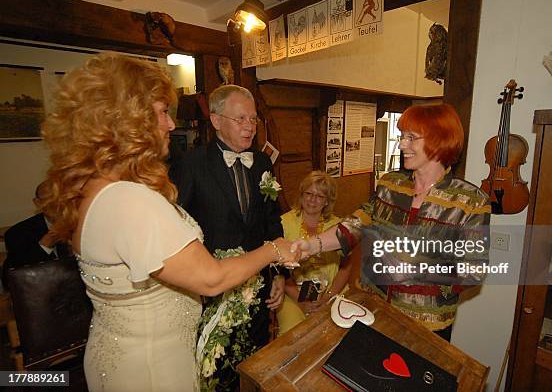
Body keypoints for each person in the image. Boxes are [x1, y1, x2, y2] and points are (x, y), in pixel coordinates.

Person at [39, 53, 302, 392]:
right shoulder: (129, 199)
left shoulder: (90, 188)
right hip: (152, 369)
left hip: (119, 351)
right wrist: (275, 251)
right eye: (163, 112)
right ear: (127, 118)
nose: (171, 124)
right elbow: (211, 279)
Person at [294, 104, 490, 341]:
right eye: (401, 137)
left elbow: (474, 270)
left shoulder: (470, 201)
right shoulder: (390, 185)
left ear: (439, 140)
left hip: (426, 325)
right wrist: (311, 245)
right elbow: (356, 224)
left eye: (410, 138)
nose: (401, 145)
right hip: (374, 309)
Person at [174, 85, 286, 387]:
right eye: (241, 119)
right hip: (213, 294)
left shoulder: (262, 163)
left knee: (255, 367)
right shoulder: (192, 164)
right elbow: (177, 228)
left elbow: (271, 221)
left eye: (254, 119)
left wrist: (278, 274)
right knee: (217, 371)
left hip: (258, 288)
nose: (250, 126)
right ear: (216, 120)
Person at [277, 171, 351, 334]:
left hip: (332, 292)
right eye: (308, 193)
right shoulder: (282, 223)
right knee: (293, 335)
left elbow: (346, 267)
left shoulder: (338, 227)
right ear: (301, 195)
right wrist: (300, 300)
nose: (312, 200)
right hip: (292, 294)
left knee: (338, 333)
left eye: (319, 196)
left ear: (327, 201)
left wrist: (328, 297)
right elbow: (279, 271)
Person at [3, 181, 71, 275]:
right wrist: (44, 246)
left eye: (59, 198)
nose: (55, 204)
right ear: (38, 203)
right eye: (48, 199)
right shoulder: (17, 233)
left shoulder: (83, 223)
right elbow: (14, 273)